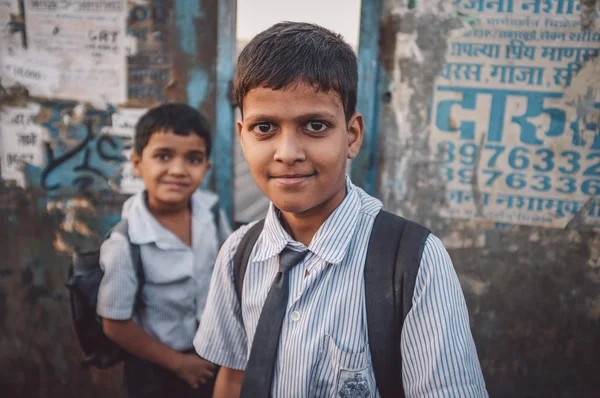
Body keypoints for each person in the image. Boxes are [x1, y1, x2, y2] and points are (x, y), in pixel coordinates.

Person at [194, 22, 488, 398]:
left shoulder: (413, 262)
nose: (287, 153)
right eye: (264, 127)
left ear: (351, 135)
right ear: (242, 136)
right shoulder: (238, 254)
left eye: (315, 125)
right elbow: (234, 378)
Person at [97, 103, 232, 398]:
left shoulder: (210, 212)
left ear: (206, 168)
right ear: (137, 163)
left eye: (193, 159)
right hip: (157, 369)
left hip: (213, 358)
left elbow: (230, 272)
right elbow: (115, 325)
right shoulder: (125, 242)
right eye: (163, 156)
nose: (178, 170)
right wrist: (180, 364)